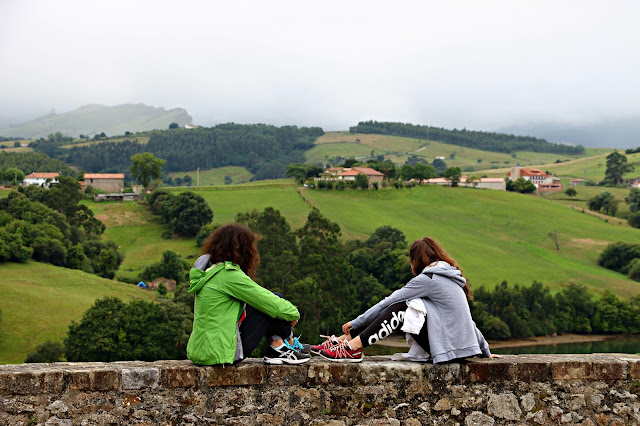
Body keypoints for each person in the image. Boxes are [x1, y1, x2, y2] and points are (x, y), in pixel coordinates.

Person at [314, 236, 501, 363]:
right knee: (410, 306)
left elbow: (388, 302)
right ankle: (342, 342)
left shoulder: (428, 279)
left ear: (415, 260)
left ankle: (352, 348)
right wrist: (485, 351)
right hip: (460, 351)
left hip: (448, 352)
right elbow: (469, 321)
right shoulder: (452, 278)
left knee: (402, 307)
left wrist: (356, 322)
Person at [186, 223, 310, 365]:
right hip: (221, 354)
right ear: (244, 250)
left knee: (271, 300)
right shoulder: (228, 275)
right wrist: (293, 314)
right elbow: (269, 302)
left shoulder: (210, 271)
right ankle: (285, 344)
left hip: (202, 351)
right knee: (271, 302)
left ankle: (280, 346)